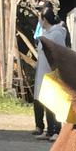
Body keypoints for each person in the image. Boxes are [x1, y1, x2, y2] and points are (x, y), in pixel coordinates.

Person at [32, 8, 67, 140]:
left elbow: (60, 53)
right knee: (46, 101)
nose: (39, 22)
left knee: (53, 103)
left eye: (40, 19)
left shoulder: (57, 34)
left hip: (52, 73)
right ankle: (48, 131)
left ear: (44, 19)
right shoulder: (46, 33)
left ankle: (57, 131)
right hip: (42, 72)